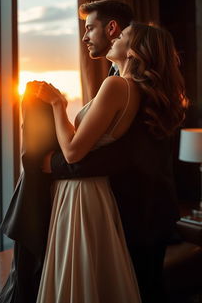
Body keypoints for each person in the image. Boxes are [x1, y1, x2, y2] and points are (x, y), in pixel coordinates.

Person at [32, 22, 188, 303]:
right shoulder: (139, 91)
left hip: (101, 198)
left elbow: (73, 152)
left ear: (134, 52)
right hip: (123, 200)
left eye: (122, 36)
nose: (114, 37)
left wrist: (57, 104)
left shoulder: (117, 86)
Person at [0, 0, 135, 303]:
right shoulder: (118, 81)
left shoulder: (120, 85)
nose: (83, 37)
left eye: (89, 28)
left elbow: (84, 153)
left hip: (85, 193)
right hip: (87, 190)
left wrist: (57, 106)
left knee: (77, 280)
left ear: (113, 30)